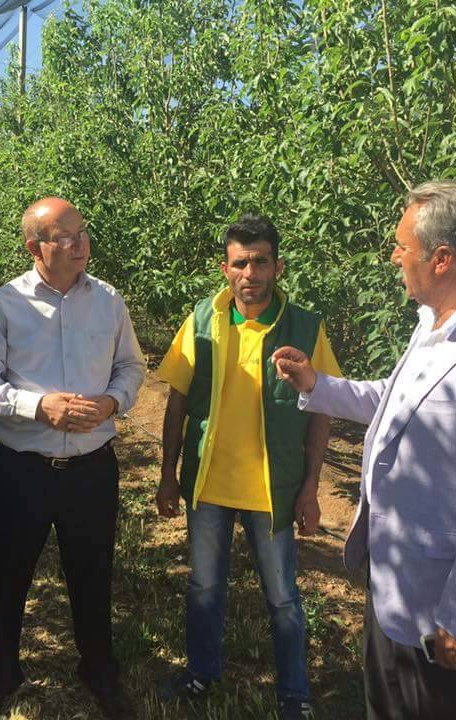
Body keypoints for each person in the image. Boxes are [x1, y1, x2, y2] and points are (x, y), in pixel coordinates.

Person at [273, 181, 456, 720]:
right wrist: (317, 385)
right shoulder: (433, 325)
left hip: (441, 609)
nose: (394, 257)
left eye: (403, 246)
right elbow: (396, 402)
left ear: (442, 259)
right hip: (396, 586)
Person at [0, 197, 145, 720]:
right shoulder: (5, 305)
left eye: (81, 232)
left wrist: (110, 403)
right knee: (9, 574)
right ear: (34, 247)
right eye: (64, 236)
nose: (79, 243)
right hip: (24, 469)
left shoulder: (108, 300)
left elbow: (131, 367)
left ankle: (99, 671)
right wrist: (37, 407)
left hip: (91, 469)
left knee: (93, 572)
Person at [155, 214, 342, 720]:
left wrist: (310, 488)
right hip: (210, 484)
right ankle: (201, 673)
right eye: (240, 263)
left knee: (282, 597)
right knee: (204, 587)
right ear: (225, 269)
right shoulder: (203, 321)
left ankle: (294, 693)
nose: (250, 273)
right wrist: (169, 474)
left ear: (278, 267)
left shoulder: (304, 327)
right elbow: (177, 400)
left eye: (260, 262)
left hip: (272, 489)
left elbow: (322, 410)